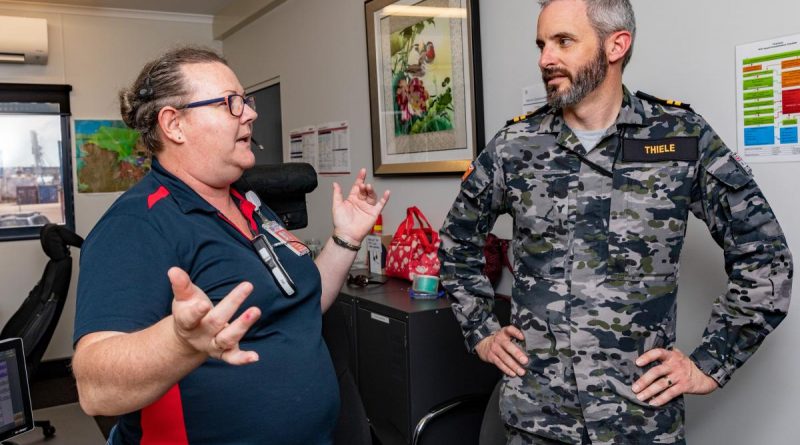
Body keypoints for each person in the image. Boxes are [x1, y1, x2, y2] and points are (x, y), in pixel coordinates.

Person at [438, 0, 792, 444]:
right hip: (538, 419)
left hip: (640, 421)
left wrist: (710, 362)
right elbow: (456, 241)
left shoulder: (679, 137)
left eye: (563, 41)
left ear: (616, 45)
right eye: (542, 44)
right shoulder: (515, 146)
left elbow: (767, 259)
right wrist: (482, 329)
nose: (546, 58)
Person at [72, 46, 389, 445]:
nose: (251, 113)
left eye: (247, 101)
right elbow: (94, 388)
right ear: (175, 125)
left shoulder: (250, 203)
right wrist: (179, 343)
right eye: (231, 103)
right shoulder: (137, 225)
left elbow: (300, 300)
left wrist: (346, 239)